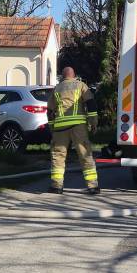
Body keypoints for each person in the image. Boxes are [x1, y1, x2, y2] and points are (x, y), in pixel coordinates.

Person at [46, 67, 100, 195]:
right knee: (85, 154)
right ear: (74, 75)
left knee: (58, 156)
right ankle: (92, 186)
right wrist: (94, 123)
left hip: (60, 127)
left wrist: (52, 127)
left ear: (63, 76)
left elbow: (49, 111)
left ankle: (56, 186)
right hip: (78, 126)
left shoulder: (57, 88)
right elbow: (91, 104)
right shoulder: (81, 85)